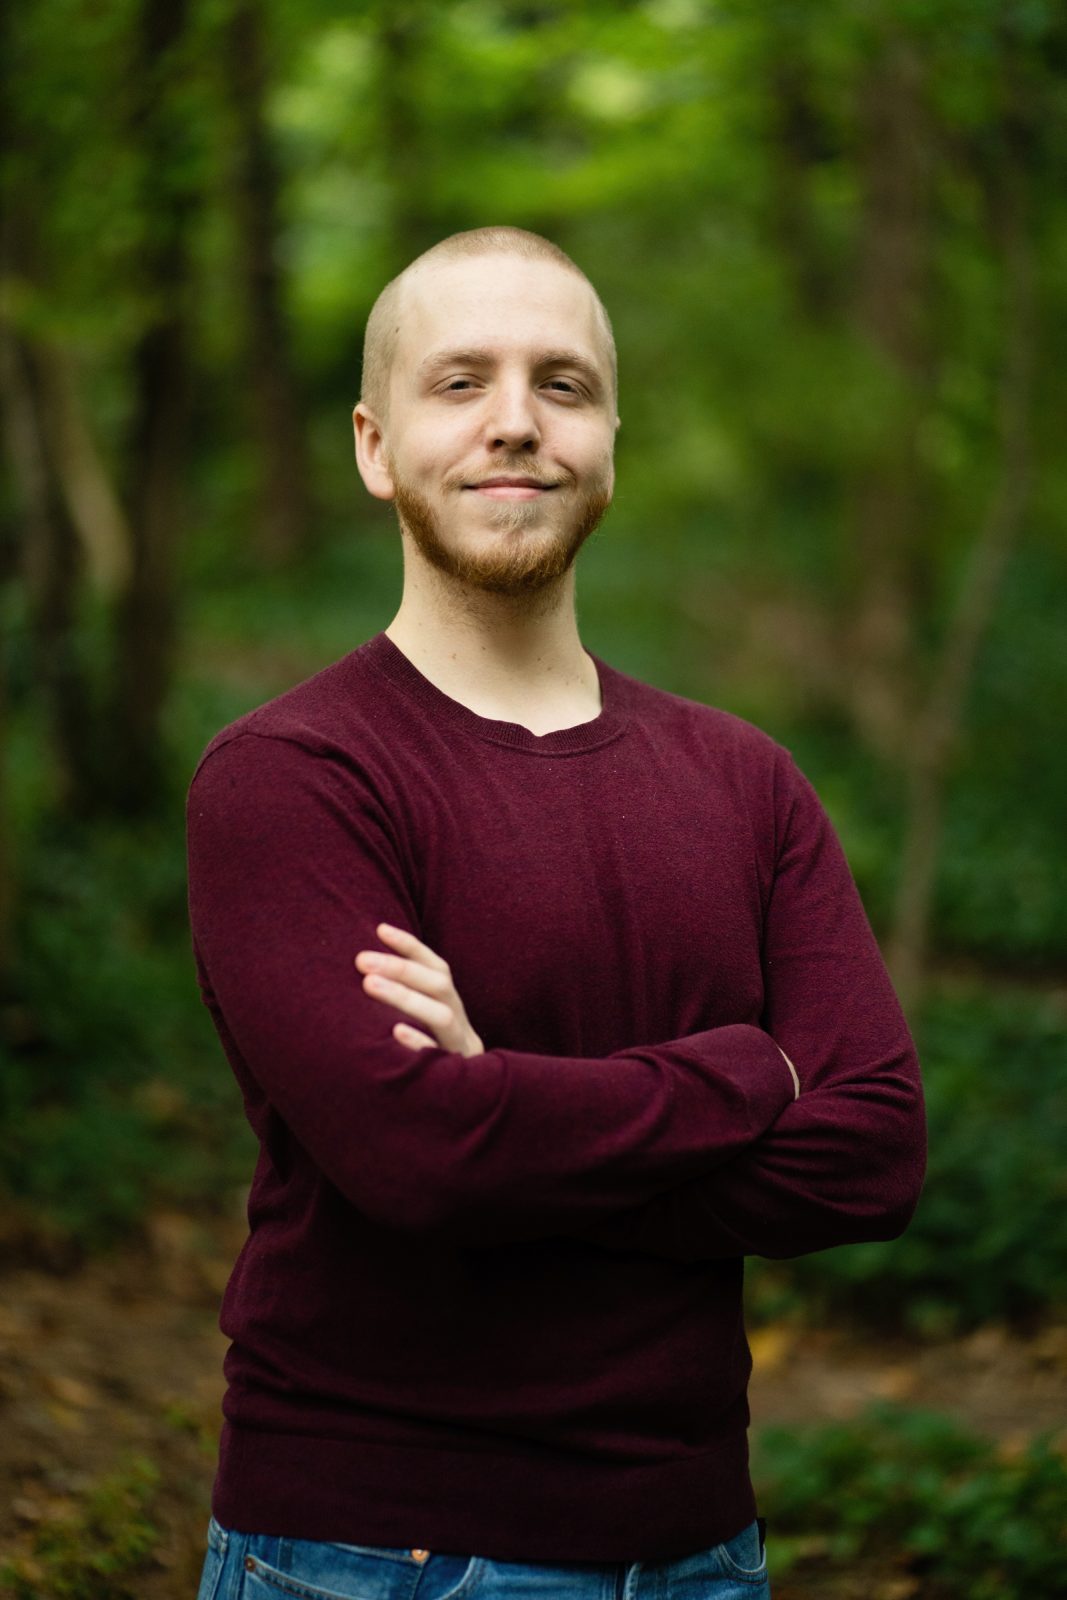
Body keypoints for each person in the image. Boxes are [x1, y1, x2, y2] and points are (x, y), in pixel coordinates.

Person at [186, 226, 926, 1600]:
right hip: (368, 1550)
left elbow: (872, 1150)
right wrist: (745, 1071)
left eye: (563, 384)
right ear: (373, 442)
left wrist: (510, 1125)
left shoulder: (745, 780)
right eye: (461, 381)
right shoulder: (293, 778)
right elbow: (417, 1160)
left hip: (704, 1546)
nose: (515, 423)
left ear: (609, 441)